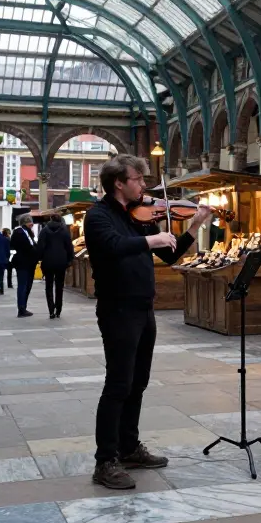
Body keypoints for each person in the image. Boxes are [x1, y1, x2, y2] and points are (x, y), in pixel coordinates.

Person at [86, 154, 211, 490]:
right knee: (118, 385)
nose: (144, 186)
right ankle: (105, 461)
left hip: (143, 309)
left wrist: (195, 225)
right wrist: (150, 240)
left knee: (138, 383)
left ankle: (129, 448)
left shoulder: (140, 216)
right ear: (119, 183)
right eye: (138, 179)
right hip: (117, 310)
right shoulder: (97, 216)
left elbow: (169, 255)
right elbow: (112, 246)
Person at [36, 213, 73, 319]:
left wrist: (40, 258)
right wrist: (70, 259)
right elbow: (69, 247)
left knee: (48, 286)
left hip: (48, 262)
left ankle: (51, 310)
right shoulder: (64, 231)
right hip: (61, 262)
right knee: (59, 286)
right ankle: (58, 310)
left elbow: (40, 246)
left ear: (50, 220)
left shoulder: (44, 231)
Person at [9, 214, 39, 317]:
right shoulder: (21, 232)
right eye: (30, 223)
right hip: (24, 263)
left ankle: (23, 307)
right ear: (25, 223)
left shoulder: (26, 232)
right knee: (23, 285)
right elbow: (28, 247)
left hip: (28, 263)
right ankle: (21, 308)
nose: (32, 225)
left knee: (27, 286)